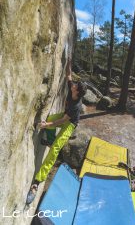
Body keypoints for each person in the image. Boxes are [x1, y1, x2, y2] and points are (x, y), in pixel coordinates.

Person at [26, 58, 87, 204]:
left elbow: (62, 121)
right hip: (64, 116)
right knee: (51, 117)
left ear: (77, 92)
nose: (72, 85)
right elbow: (69, 75)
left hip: (70, 123)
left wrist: (47, 125)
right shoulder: (73, 88)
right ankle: (50, 139)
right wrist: (69, 61)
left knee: (55, 149)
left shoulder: (76, 106)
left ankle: (37, 182)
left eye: (75, 86)